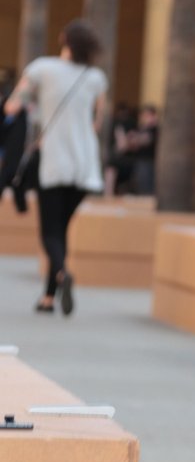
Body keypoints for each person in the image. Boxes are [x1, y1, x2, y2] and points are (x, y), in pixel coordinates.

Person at [5, 19, 108, 314]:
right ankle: (49, 297)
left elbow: (13, 106)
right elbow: (97, 122)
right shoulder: (96, 77)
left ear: (63, 39)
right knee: (61, 229)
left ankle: (62, 273)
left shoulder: (42, 68)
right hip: (85, 165)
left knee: (50, 232)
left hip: (54, 161)